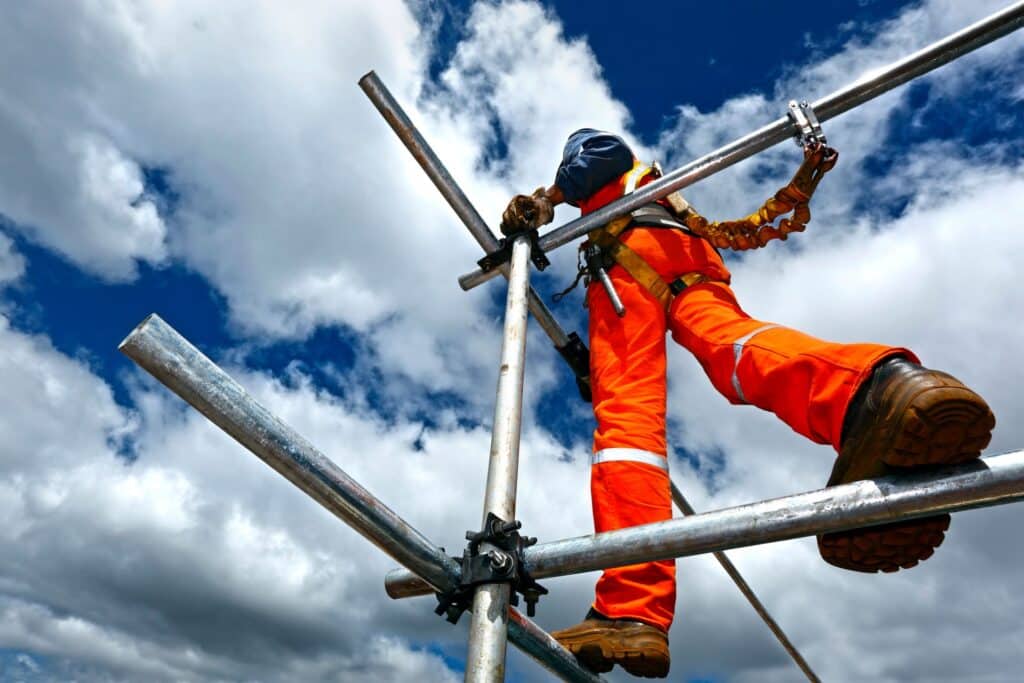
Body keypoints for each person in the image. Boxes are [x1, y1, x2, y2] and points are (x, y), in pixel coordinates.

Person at [499, 129, 995, 678]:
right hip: (685, 260)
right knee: (732, 351)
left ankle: (632, 607)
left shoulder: (602, 161)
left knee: (628, 424)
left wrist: (548, 198)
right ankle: (869, 392)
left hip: (628, 258)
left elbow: (599, 154)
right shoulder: (657, 189)